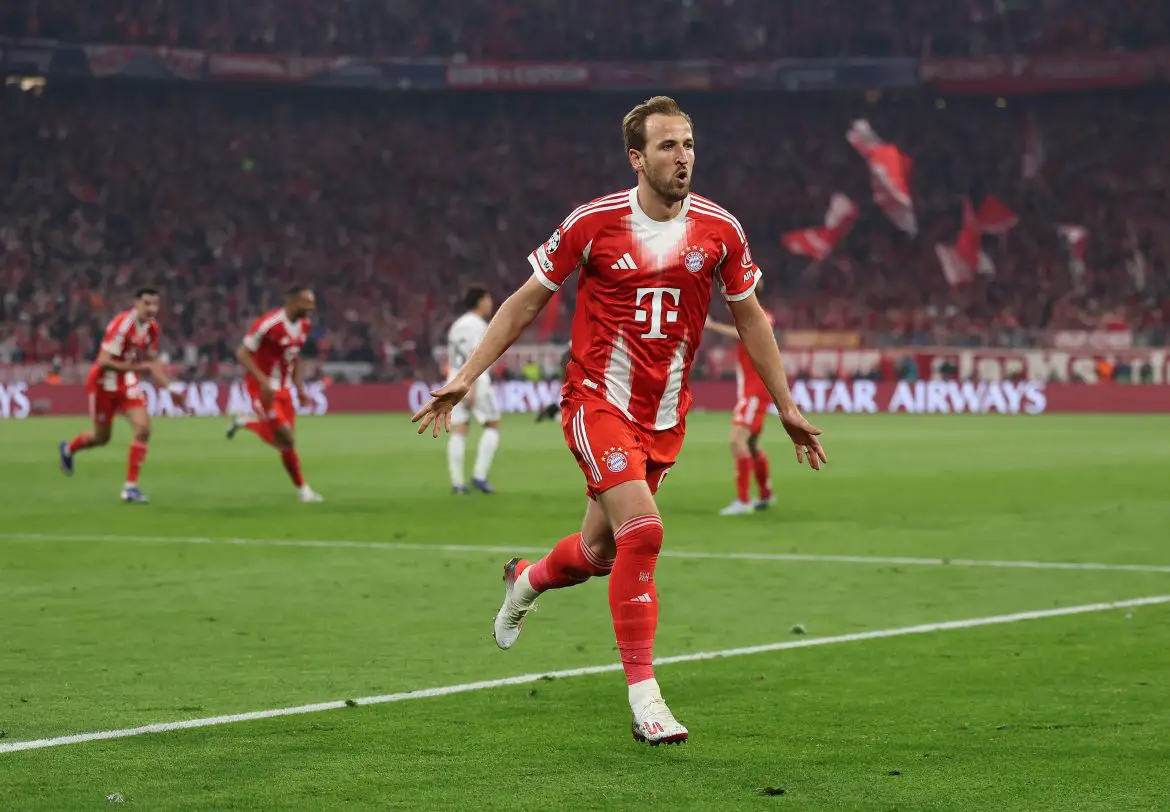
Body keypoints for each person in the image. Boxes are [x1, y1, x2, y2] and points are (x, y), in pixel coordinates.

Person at [412, 96, 826, 745]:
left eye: (687, 144)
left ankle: (527, 579)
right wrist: (466, 377)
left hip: (664, 417)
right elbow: (523, 305)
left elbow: (751, 319)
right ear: (636, 157)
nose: (681, 157)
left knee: (601, 554)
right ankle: (645, 696)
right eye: (667, 146)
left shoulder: (721, 229)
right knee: (645, 531)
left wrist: (788, 406)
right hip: (595, 404)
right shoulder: (593, 222)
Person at [59, 287, 185, 503]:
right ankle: (69, 449)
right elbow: (104, 362)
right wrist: (139, 368)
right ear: (135, 303)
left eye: (155, 304)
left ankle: (130, 488)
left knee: (144, 428)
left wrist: (170, 388)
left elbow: (152, 362)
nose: (152, 308)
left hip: (126, 383)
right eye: (147, 303)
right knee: (101, 438)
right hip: (103, 384)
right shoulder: (122, 325)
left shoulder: (152, 328)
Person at [227, 285, 324, 503]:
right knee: (286, 439)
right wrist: (263, 381)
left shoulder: (304, 325)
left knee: (285, 443)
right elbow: (242, 354)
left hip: (285, 388)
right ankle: (303, 490)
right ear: (293, 302)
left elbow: (296, 357)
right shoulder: (269, 325)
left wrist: (299, 389)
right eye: (308, 303)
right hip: (261, 389)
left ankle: (245, 423)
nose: (312, 307)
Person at [704, 281, 776, 515]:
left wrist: (713, 326)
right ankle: (765, 494)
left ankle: (743, 501)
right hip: (754, 390)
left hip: (754, 391)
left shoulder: (761, 316)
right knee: (752, 444)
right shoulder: (750, 316)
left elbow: (743, 334)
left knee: (737, 440)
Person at [445, 287, 501, 494]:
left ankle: (457, 483)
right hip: (474, 381)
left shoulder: (457, 325)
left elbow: (453, 357)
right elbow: (474, 355)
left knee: (460, 428)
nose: (490, 303)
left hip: (453, 379)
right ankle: (479, 476)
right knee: (492, 425)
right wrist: (472, 387)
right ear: (479, 301)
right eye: (488, 299)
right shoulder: (478, 325)